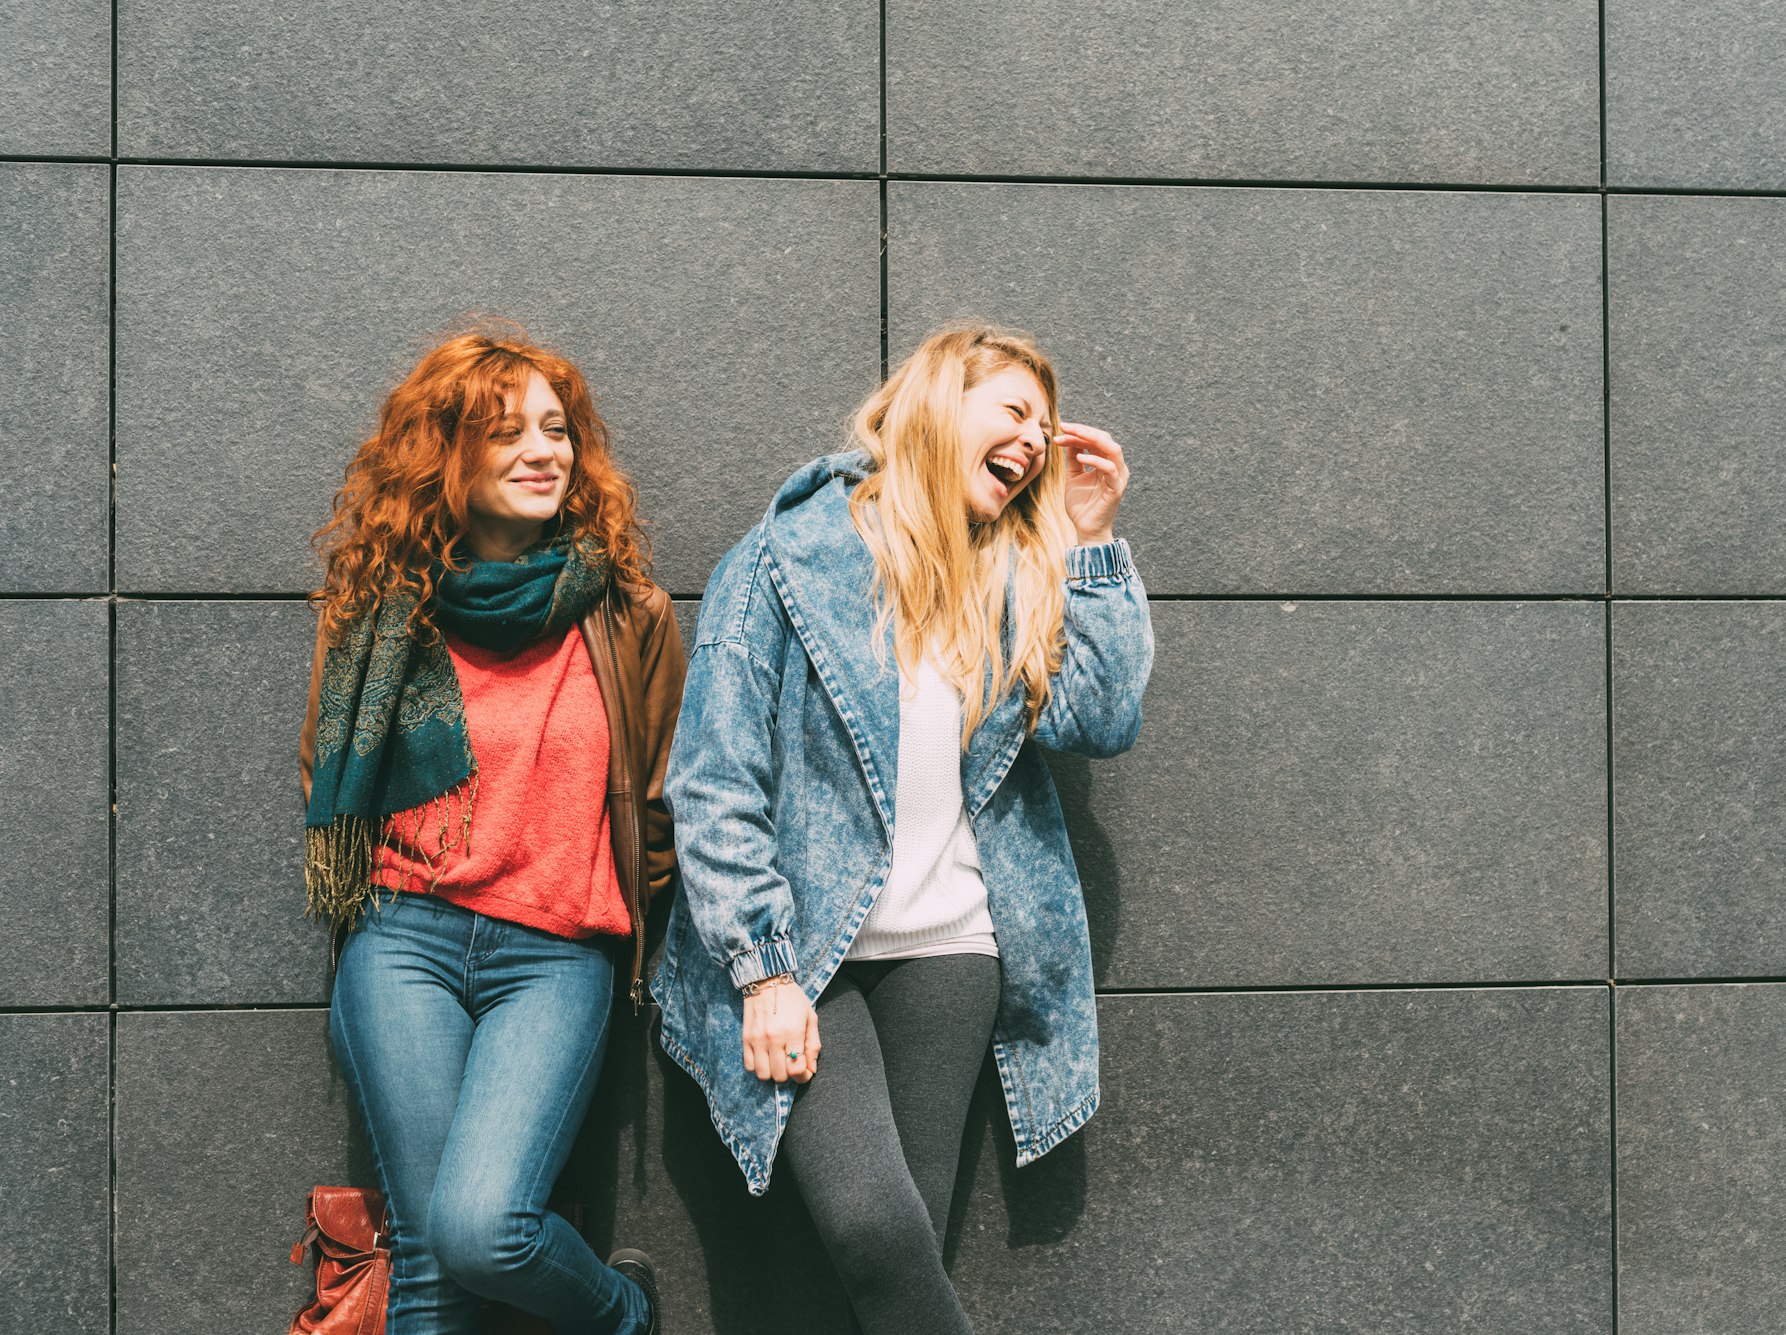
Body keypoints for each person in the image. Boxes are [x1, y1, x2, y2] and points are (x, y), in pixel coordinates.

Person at [653, 325, 1153, 1331]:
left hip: (953, 954)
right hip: (806, 956)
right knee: (875, 1230)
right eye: (1012, 410)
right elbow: (712, 781)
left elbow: (1099, 720)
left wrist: (1088, 543)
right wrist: (760, 971)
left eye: (1044, 429)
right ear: (936, 404)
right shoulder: (786, 561)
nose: (1033, 441)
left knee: (893, 1252)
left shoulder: (1012, 576)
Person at [299, 330, 683, 1335]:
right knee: (429, 1260)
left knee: (482, 1229)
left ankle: (619, 1317)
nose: (541, 449)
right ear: (446, 455)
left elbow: (667, 794)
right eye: (506, 431)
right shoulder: (388, 612)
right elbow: (326, 771)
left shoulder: (624, 613)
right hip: (404, 940)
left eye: (557, 430)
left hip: (552, 958)